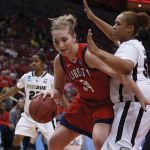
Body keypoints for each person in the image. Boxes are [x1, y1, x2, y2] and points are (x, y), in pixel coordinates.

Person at [44, 14, 149, 150]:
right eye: (56, 42)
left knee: (99, 140)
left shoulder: (87, 55)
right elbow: (58, 90)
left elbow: (121, 75)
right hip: (83, 104)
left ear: (74, 37)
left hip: (104, 104)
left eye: (64, 39)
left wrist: (140, 96)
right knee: (54, 142)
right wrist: (50, 92)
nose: (61, 45)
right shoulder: (59, 61)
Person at [83, 0, 150, 149]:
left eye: (118, 24)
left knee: (117, 147)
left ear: (130, 29)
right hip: (135, 103)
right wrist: (93, 17)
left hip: (133, 102)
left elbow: (126, 68)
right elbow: (113, 35)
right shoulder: (130, 44)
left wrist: (97, 52)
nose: (114, 27)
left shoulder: (130, 46)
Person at [0, 53, 56, 150]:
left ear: (43, 64)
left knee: (55, 142)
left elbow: (58, 93)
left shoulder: (50, 79)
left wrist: (66, 105)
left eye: (36, 61)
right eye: (32, 61)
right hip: (28, 115)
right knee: (17, 139)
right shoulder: (26, 77)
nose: (33, 63)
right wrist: (1, 97)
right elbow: (13, 91)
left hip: (45, 116)